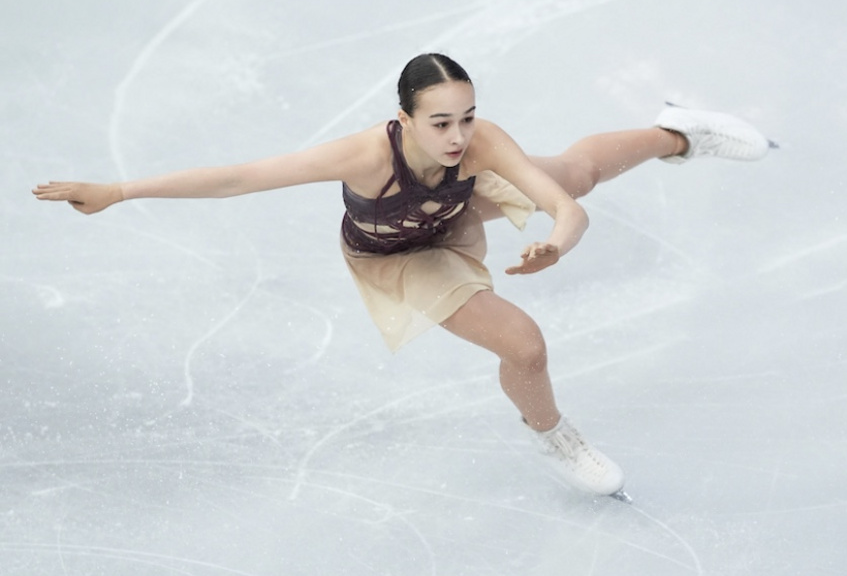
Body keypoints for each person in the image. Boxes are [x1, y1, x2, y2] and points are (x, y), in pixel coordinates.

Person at [32, 52, 772, 501]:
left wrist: (559, 240)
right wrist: (119, 191)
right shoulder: (364, 155)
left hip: (458, 210)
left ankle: (680, 129)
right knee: (525, 346)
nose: (457, 135)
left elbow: (559, 206)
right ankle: (554, 438)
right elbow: (240, 177)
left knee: (575, 174)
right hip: (401, 255)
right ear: (405, 118)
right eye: (440, 122)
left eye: (466, 119)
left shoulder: (479, 146)